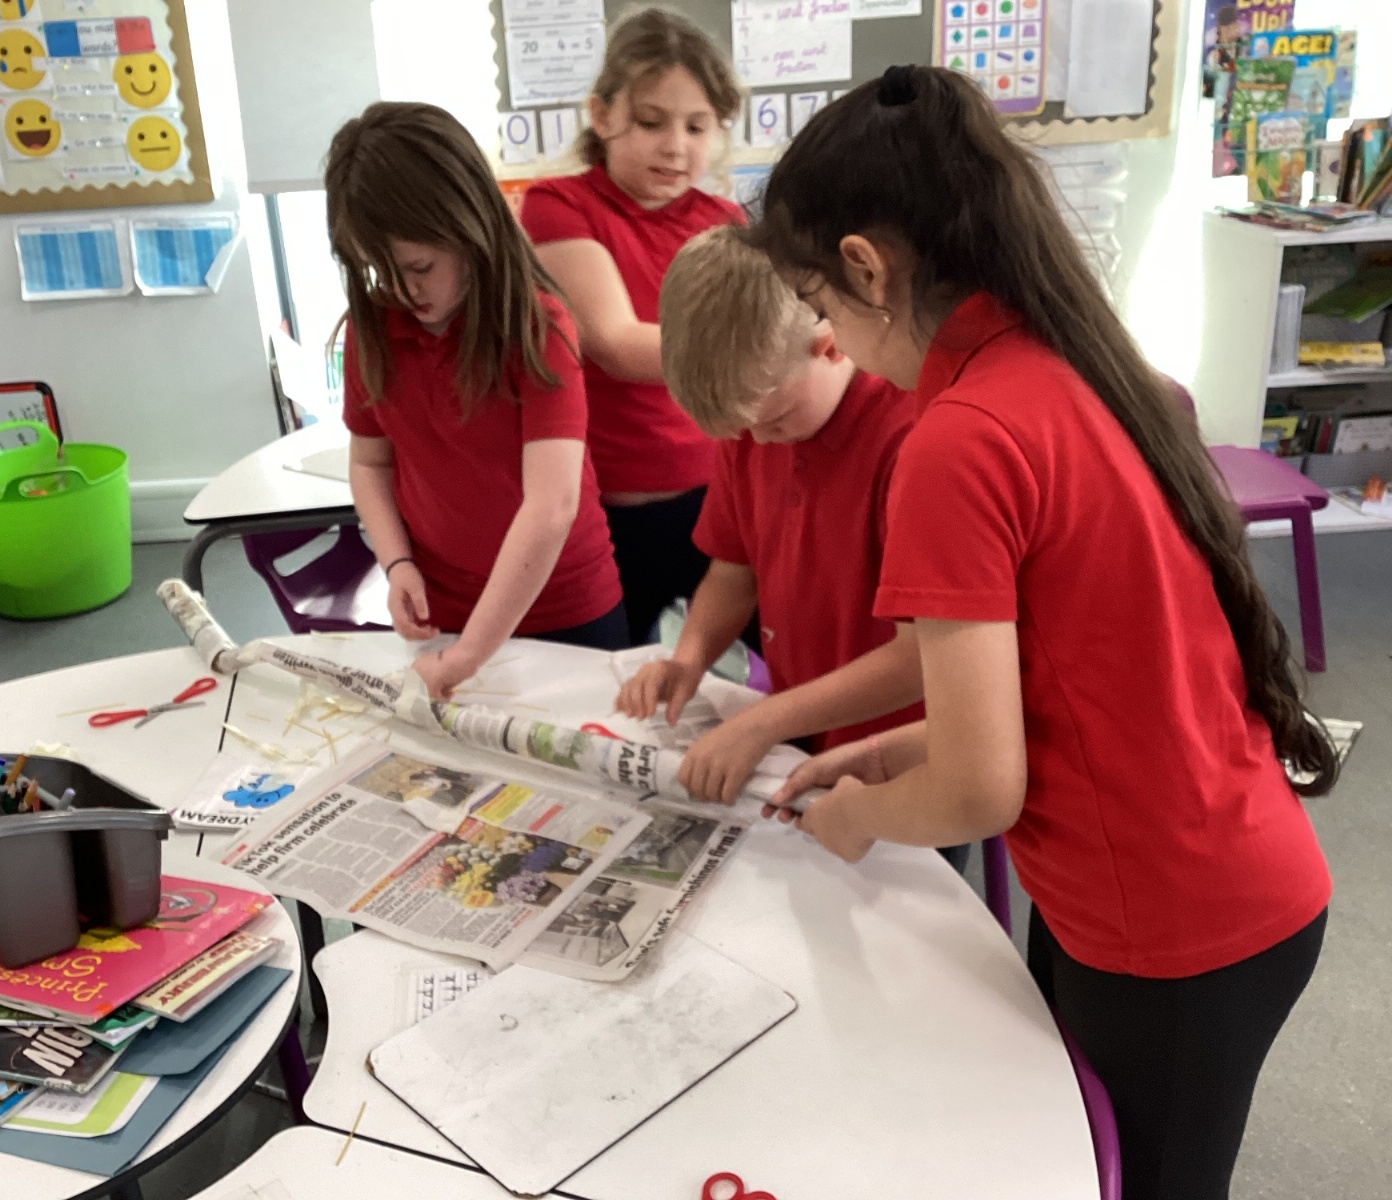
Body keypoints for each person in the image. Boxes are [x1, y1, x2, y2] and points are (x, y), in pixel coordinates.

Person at [753, 66, 1334, 1200]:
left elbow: (981, 793)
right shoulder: (1070, 360)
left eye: (820, 305)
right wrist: (890, 750)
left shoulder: (958, 438)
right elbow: (1081, 674)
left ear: (866, 268)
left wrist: (860, 817)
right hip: (1204, 873)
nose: (834, 338)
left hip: (1177, 924)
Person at [614, 225, 926, 806]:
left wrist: (763, 722)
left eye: (775, 420)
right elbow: (734, 571)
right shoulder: (753, 424)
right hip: (800, 723)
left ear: (830, 344)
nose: (759, 440)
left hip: (902, 751)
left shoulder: (912, 438)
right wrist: (688, 659)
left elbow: (922, 659)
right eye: (743, 429)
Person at [326, 102, 626, 700]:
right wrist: (396, 564)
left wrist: (469, 654)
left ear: (472, 228)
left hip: (564, 610)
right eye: (378, 270)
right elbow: (370, 463)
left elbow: (552, 505)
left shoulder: (537, 325)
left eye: (420, 266)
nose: (403, 290)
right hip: (444, 611)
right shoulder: (373, 330)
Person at [520, 7, 745, 644]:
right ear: (602, 115)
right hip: (612, 512)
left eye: (697, 126)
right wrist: (758, 350)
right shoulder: (559, 205)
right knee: (612, 676)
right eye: (651, 122)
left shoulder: (724, 220)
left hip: (719, 500)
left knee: (780, 653)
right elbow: (616, 345)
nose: (675, 146)